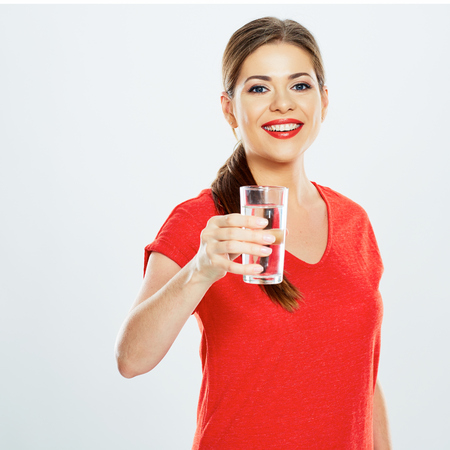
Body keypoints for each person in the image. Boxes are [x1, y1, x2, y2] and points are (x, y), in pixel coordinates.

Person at [115, 16, 392, 449]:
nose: (283, 104)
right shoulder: (201, 221)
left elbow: (364, 380)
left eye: (299, 86)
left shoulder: (354, 222)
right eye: (259, 88)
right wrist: (201, 269)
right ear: (229, 108)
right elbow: (131, 359)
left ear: (323, 99)